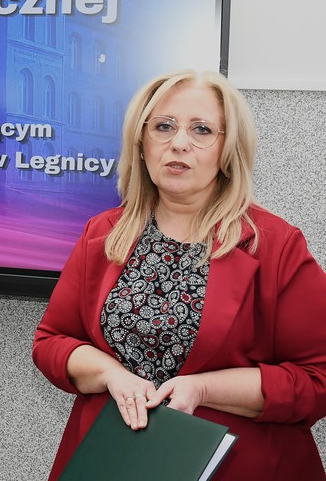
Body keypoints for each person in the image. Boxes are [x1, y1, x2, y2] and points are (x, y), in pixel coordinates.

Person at [33, 70, 326, 480]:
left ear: (228, 149)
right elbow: (52, 341)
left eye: (201, 129)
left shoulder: (275, 244)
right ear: (141, 143)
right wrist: (111, 375)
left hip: (239, 466)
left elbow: (317, 377)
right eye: (163, 127)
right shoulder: (104, 233)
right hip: (113, 460)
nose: (179, 143)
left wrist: (204, 389)